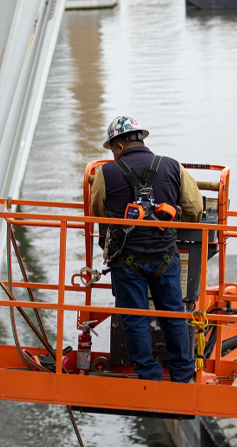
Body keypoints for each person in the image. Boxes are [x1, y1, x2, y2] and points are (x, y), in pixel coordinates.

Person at [90, 116, 203, 383]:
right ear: (141, 139)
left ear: (118, 146)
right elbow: (195, 208)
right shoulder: (173, 166)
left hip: (126, 261)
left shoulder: (106, 173)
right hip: (165, 255)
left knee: (135, 318)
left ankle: (149, 376)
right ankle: (183, 374)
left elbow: (98, 213)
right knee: (174, 314)